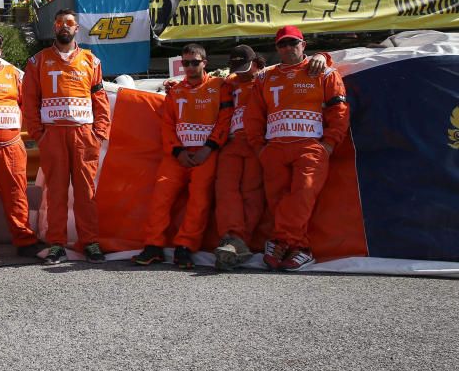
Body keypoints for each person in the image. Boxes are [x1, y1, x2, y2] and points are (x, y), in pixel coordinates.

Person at [244, 25, 349, 271]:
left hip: (310, 146)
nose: (288, 48)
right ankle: (299, 247)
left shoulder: (324, 72)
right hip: (274, 148)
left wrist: (329, 144)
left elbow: (339, 112)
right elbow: (253, 117)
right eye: (282, 44)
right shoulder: (264, 76)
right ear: (276, 48)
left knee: (302, 196)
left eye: (293, 43)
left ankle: (283, 242)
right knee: (277, 201)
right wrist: (260, 147)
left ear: (304, 45)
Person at [131, 43, 233, 270]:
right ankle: (153, 246)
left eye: (194, 62)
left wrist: (209, 147)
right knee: (160, 198)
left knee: (199, 201)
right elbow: (167, 125)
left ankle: (185, 247)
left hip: (206, 154)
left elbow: (225, 119)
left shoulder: (220, 86)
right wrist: (177, 151)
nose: (189, 67)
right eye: (185, 63)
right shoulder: (175, 91)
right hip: (177, 155)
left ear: (204, 63)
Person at [22, 9, 110, 265]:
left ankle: (90, 242)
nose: (64, 26)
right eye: (59, 22)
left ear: (77, 29)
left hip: (84, 136)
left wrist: (99, 133)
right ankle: (56, 244)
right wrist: (39, 134)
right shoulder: (37, 62)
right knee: (56, 193)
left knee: (85, 192)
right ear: (54, 27)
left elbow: (100, 100)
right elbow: (29, 102)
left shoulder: (91, 61)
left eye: (69, 23)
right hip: (53, 136)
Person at [0, 28, 46, 257]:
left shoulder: (14, 74)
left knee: (16, 194)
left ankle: (24, 240)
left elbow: (30, 105)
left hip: (11, 145)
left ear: (0, 49)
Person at [212, 46, 266, 270]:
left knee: (251, 193)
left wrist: (323, 55)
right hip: (232, 142)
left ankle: (240, 243)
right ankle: (232, 238)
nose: (242, 72)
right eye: (237, 68)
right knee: (225, 190)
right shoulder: (229, 82)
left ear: (256, 62)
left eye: (245, 67)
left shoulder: (268, 78)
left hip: (257, 143)